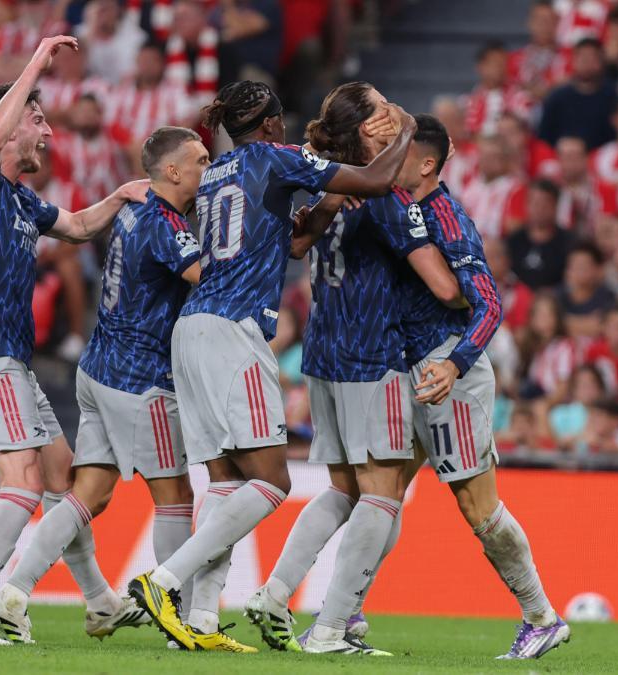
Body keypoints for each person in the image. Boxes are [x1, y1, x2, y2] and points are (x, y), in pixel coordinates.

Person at [127, 80, 417, 652]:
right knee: (273, 481)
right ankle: (164, 582)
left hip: (191, 328)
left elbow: (291, 244)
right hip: (234, 330)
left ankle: (201, 621)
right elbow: (379, 179)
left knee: (228, 484)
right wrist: (405, 127)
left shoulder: (214, 175)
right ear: (271, 124)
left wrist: (328, 202)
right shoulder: (275, 158)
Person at [0, 37, 151, 646]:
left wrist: (119, 195)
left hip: (12, 359)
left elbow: (80, 227)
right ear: (6, 128)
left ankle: (100, 602)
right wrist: (35, 62)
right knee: (23, 483)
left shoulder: (22, 201)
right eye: (36, 120)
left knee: (63, 476)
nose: (47, 134)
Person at [244, 94, 464, 656]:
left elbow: (296, 241)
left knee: (344, 488)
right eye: (383, 108)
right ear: (370, 128)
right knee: (383, 492)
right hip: (372, 356)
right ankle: (331, 628)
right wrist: (472, 287)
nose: (395, 111)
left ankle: (273, 594)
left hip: (322, 353)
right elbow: (443, 287)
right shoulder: (385, 194)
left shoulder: (328, 185)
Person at [0, 127, 207, 645]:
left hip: (99, 366)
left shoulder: (134, 211)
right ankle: (183, 622)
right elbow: (208, 276)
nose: (206, 167)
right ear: (171, 172)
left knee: (91, 493)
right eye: (199, 160)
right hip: (141, 378)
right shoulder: (165, 222)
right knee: (175, 497)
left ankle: (13, 591)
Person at [399, 114, 569, 659]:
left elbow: (489, 301)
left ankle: (541, 616)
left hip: (450, 374)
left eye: (398, 153)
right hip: (416, 370)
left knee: (477, 506)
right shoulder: (405, 211)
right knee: (378, 495)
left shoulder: (445, 216)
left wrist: (455, 363)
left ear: (425, 164)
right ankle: (342, 619)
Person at [537, 38, 618, 151]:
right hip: (563, 160)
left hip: (604, 160)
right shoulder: (557, 97)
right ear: (573, 61)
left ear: (601, 61)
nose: (587, 63)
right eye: (582, 58)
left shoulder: (615, 96)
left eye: (592, 58)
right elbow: (544, 138)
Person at [506, 179, 572, 291]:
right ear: (526, 205)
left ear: (555, 206)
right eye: (534, 203)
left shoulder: (569, 242)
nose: (539, 209)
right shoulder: (513, 241)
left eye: (545, 204)